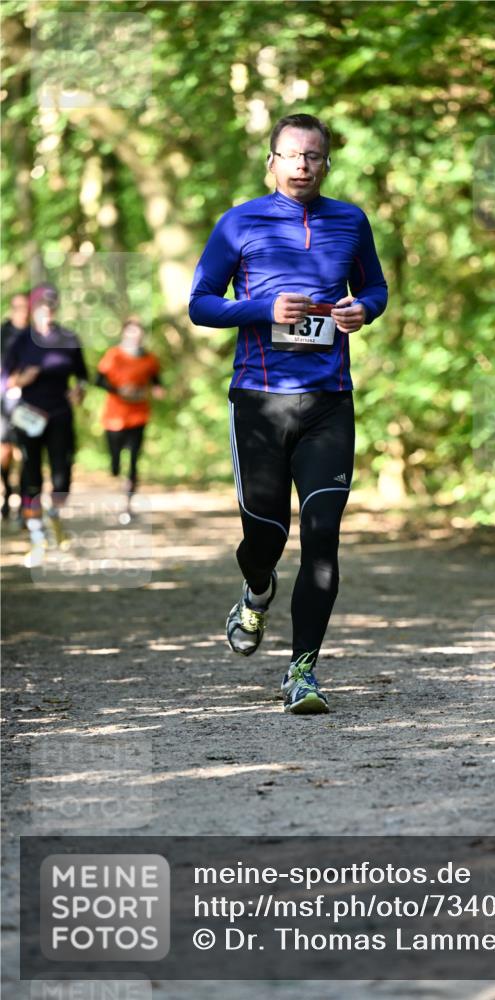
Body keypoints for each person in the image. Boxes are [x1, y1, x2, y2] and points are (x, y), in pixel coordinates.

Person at [189, 112, 388, 714]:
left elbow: (375, 288)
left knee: (323, 536)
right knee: (264, 535)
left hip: (329, 402)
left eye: (314, 155)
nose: (303, 164)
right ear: (271, 162)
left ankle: (302, 673)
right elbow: (201, 304)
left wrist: (363, 312)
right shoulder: (238, 222)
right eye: (292, 154)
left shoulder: (350, 221)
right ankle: (255, 590)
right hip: (259, 401)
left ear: (327, 163)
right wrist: (263, 309)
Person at [2, 284, 88, 567]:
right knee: (31, 476)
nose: (47, 310)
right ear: (33, 308)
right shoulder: (21, 341)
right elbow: (5, 379)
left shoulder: (68, 337)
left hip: (60, 414)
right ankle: (37, 538)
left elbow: (82, 375)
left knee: (62, 475)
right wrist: (20, 381)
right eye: (42, 306)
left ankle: (55, 517)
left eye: (51, 305)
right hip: (28, 416)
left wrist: (79, 391)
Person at [95, 316, 164, 522]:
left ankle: (128, 502)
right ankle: (115, 469)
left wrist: (158, 389)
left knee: (134, 459)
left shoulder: (149, 359)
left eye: (138, 332)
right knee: (116, 461)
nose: (135, 336)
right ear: (124, 333)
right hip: (115, 416)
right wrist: (119, 390)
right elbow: (98, 380)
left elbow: (156, 380)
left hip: (139, 414)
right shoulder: (113, 355)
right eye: (131, 332)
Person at [1, 291, 30, 519]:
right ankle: (8, 491)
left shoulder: (37, 334)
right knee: (4, 451)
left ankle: (21, 500)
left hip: (29, 399)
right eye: (18, 307)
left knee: (26, 451)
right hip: (4, 399)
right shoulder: (3, 333)